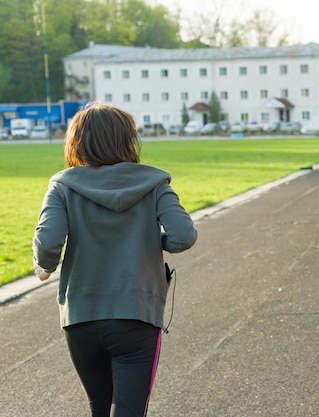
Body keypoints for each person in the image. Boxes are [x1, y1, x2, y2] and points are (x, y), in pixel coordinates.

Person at [32, 102, 198, 417]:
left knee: (99, 408)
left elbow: (48, 244)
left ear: (76, 142)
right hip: (136, 315)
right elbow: (184, 236)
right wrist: (152, 242)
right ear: (127, 140)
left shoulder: (62, 186)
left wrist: (45, 267)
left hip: (81, 317)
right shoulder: (155, 184)